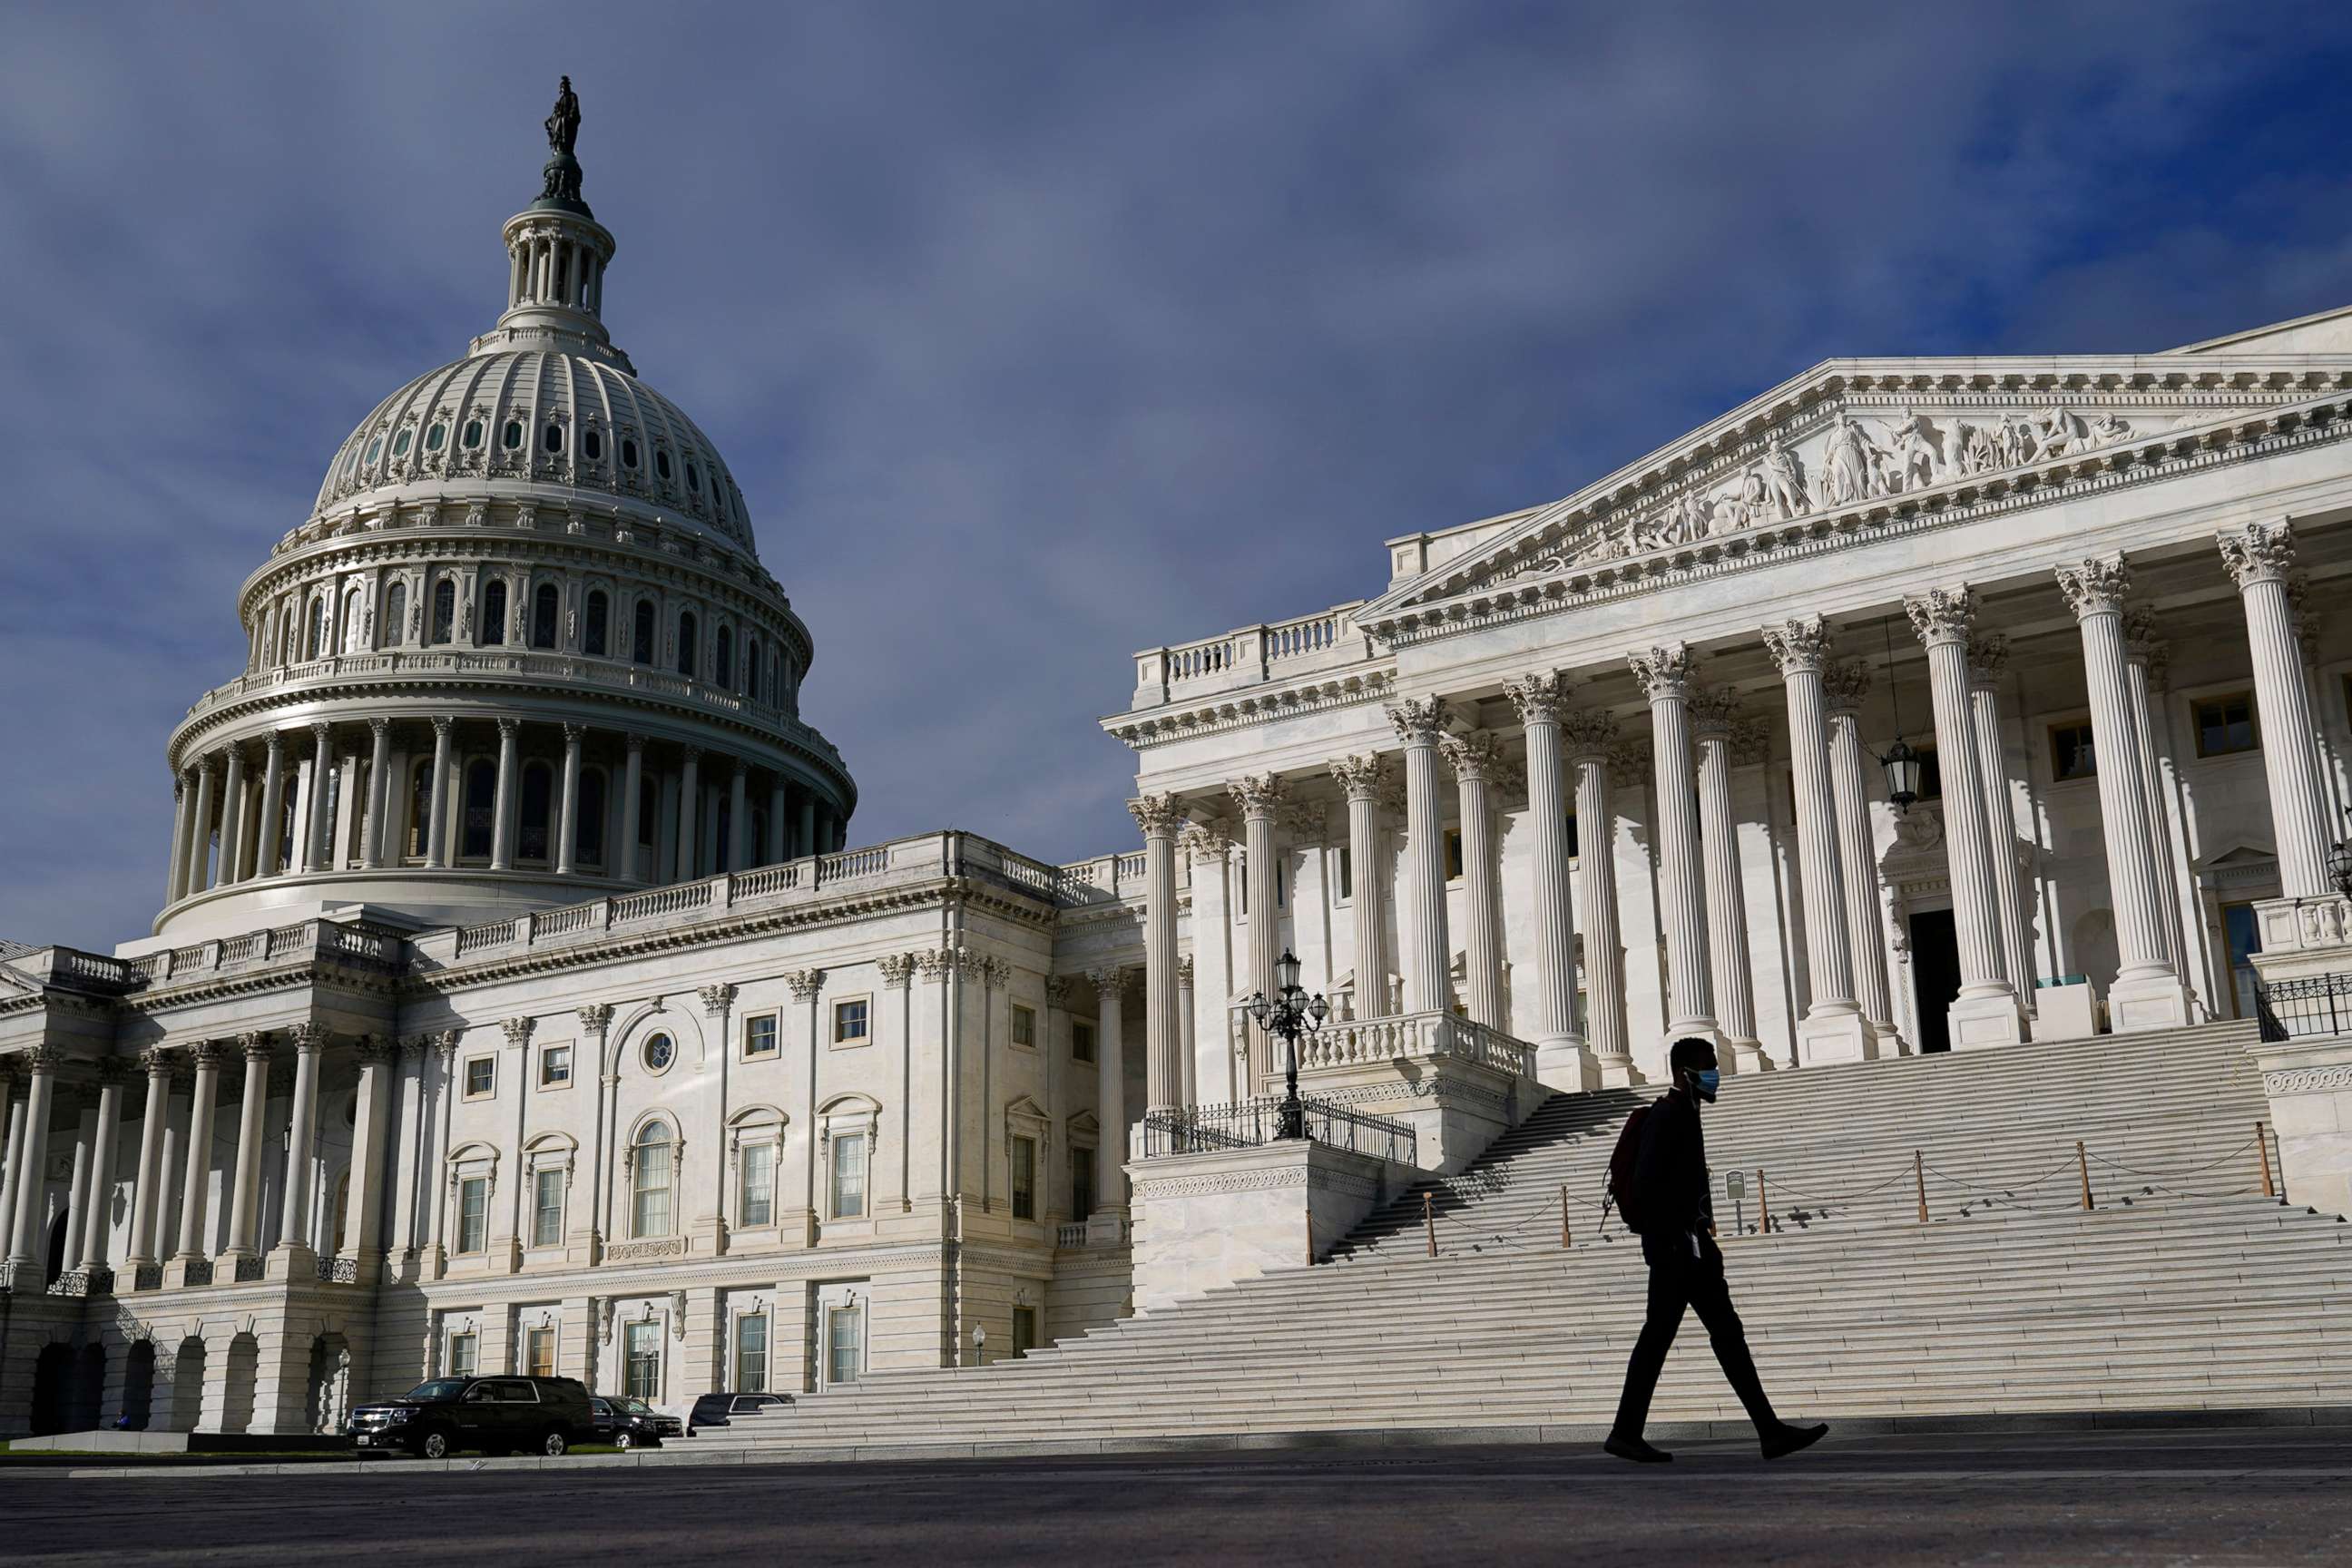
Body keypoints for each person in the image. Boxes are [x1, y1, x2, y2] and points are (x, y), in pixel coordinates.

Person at [1603, 1036, 1828, 1464]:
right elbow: (1647, 1184)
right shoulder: (1669, 1116)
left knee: (1718, 1334)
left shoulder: (1686, 1114)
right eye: (1708, 1068)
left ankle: (1767, 1430)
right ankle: (1628, 1431)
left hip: (1687, 1246)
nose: (1715, 1076)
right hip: (1676, 1249)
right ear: (1685, 1073)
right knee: (1679, 1336)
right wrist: (1683, 1238)